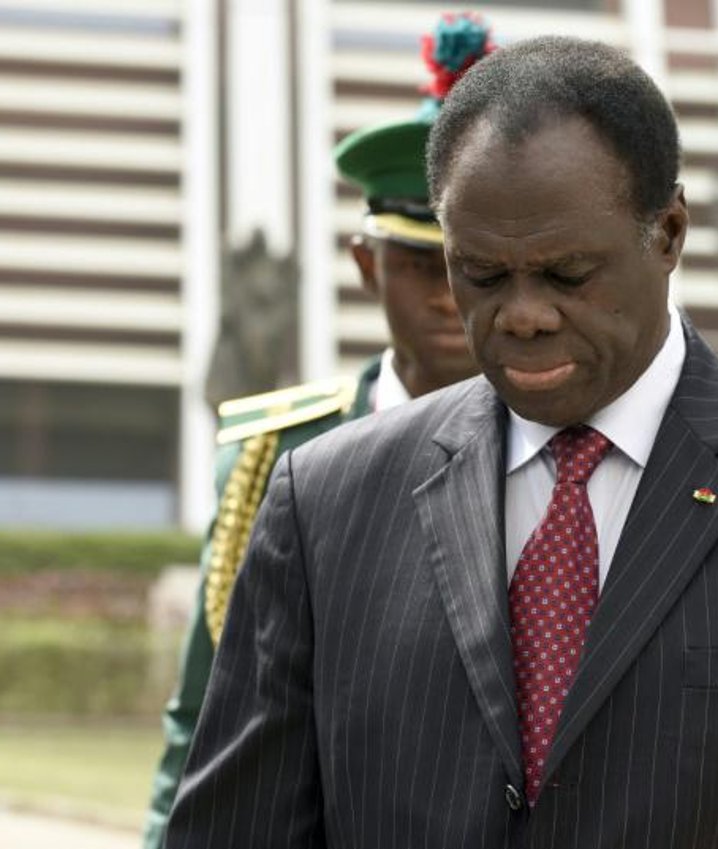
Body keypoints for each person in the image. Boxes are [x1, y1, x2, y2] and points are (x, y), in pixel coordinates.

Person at [165, 36, 718, 848]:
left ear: (667, 233)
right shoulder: (325, 501)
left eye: (566, 274)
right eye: (480, 274)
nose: (522, 314)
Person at [140, 14, 492, 848]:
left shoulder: (576, 447)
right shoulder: (276, 453)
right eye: (417, 265)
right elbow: (204, 716)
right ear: (368, 265)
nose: (446, 296)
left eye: (468, 266)